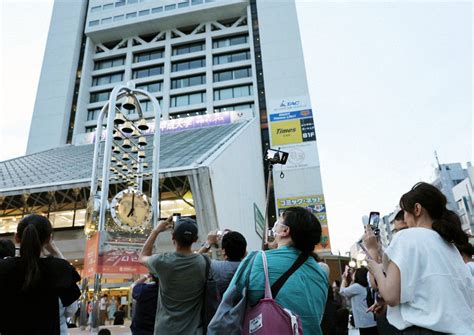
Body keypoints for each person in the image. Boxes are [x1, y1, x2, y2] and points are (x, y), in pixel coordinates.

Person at [367, 182, 474, 334]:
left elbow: (391, 296)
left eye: (404, 211)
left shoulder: (407, 237)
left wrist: (376, 267)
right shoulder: (450, 246)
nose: (404, 217)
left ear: (417, 209)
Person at [227, 206, 328, 335]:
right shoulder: (320, 272)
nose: (274, 227)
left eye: (278, 222)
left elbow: (230, 303)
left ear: (285, 231)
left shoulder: (260, 260)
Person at [0, 214, 81, 334]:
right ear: (49, 239)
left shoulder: (4, 268)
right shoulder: (59, 269)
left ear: (17, 237)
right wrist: (56, 252)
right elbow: (71, 309)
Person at [139, 216, 207, 335]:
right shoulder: (204, 262)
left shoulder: (162, 261)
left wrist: (155, 231)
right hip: (193, 331)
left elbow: (142, 256)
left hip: (165, 330)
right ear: (195, 239)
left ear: (173, 237)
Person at [198, 230, 247, 296]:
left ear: (223, 251)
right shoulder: (249, 267)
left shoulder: (215, 267)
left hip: (220, 305)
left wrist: (209, 242)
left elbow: (194, 260)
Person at [339, 266, 378, 335]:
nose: (353, 274)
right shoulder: (366, 285)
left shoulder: (357, 287)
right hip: (371, 320)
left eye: (354, 273)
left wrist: (344, 279)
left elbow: (342, 292)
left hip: (364, 322)